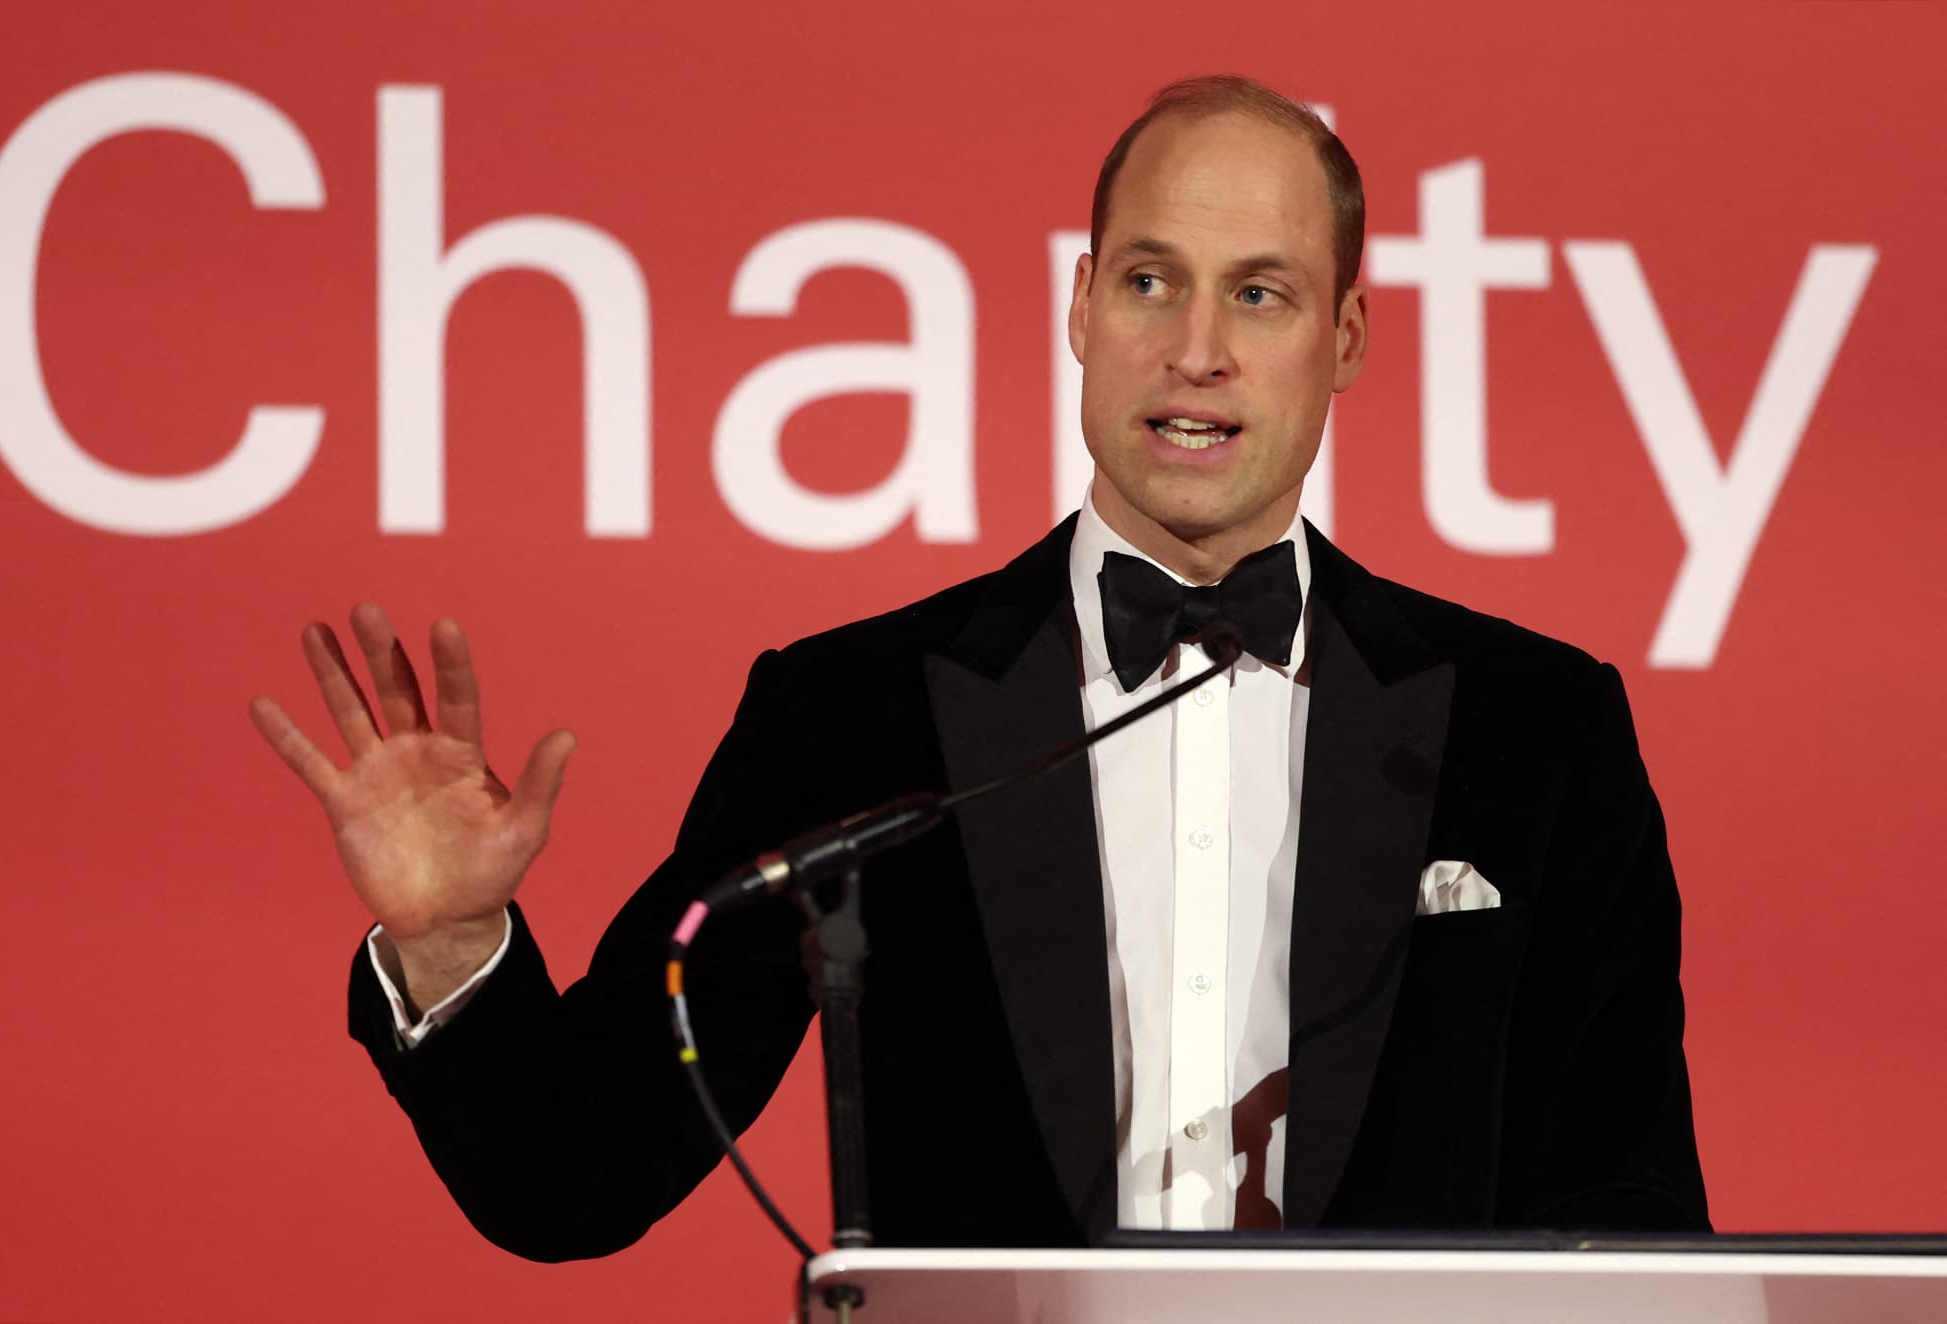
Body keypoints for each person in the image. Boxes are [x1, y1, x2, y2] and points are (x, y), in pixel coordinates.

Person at [250, 74, 1708, 1258]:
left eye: (1260, 296)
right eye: (1152, 282)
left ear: (1346, 339)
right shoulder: (850, 714)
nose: (1195, 350)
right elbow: (576, 1178)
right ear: (1081, 312)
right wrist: (453, 945)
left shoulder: (1541, 731)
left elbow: (1635, 1232)